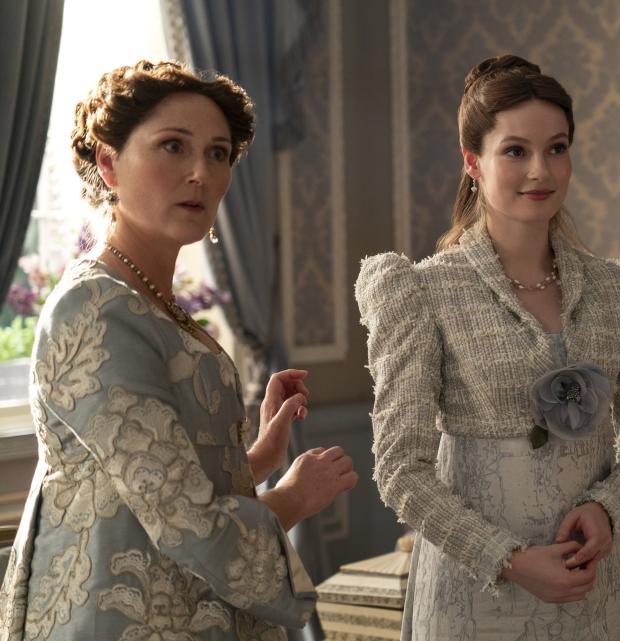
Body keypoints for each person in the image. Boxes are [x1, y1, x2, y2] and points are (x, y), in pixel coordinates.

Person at [0, 60, 358, 641]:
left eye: (219, 153)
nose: (201, 172)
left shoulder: (149, 300)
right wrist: (292, 497)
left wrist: (260, 457)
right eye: (173, 146)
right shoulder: (97, 307)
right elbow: (185, 521)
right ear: (107, 161)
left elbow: (152, 476)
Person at [355, 54, 620, 640]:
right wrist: (506, 558)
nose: (541, 170)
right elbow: (400, 470)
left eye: (557, 148)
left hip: (591, 589)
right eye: (516, 151)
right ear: (472, 162)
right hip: (474, 596)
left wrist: (608, 508)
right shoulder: (420, 291)